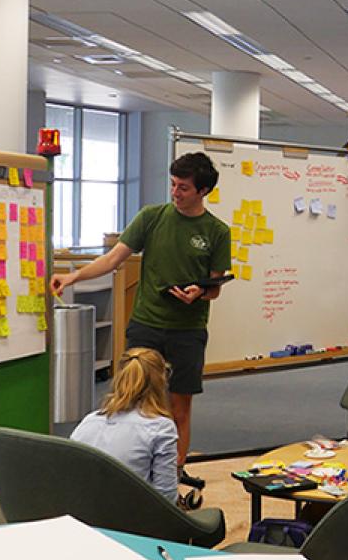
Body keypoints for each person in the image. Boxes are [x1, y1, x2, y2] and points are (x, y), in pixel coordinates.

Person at [50, 152, 231, 493]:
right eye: (173, 184)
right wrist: (72, 278)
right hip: (146, 324)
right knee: (129, 399)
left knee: (179, 407)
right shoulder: (152, 217)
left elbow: (215, 288)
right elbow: (113, 259)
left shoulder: (217, 232)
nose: (175, 192)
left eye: (184, 188)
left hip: (188, 330)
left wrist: (198, 293)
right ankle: (125, 469)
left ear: (203, 191)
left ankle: (172, 477)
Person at [70, 347, 178, 502]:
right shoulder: (161, 428)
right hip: (129, 520)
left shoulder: (89, 421)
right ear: (162, 381)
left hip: (82, 517)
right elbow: (166, 499)